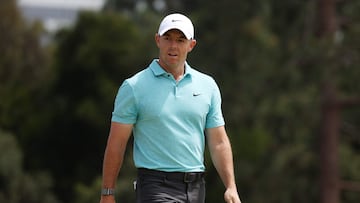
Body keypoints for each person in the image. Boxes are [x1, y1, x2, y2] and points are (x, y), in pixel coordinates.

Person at [100, 13, 242, 203]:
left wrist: (231, 186)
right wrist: (107, 193)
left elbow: (218, 142)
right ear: (157, 40)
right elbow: (116, 143)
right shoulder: (134, 87)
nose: (173, 46)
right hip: (154, 185)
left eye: (180, 40)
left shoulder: (207, 86)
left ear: (191, 45)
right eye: (167, 38)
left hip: (195, 187)